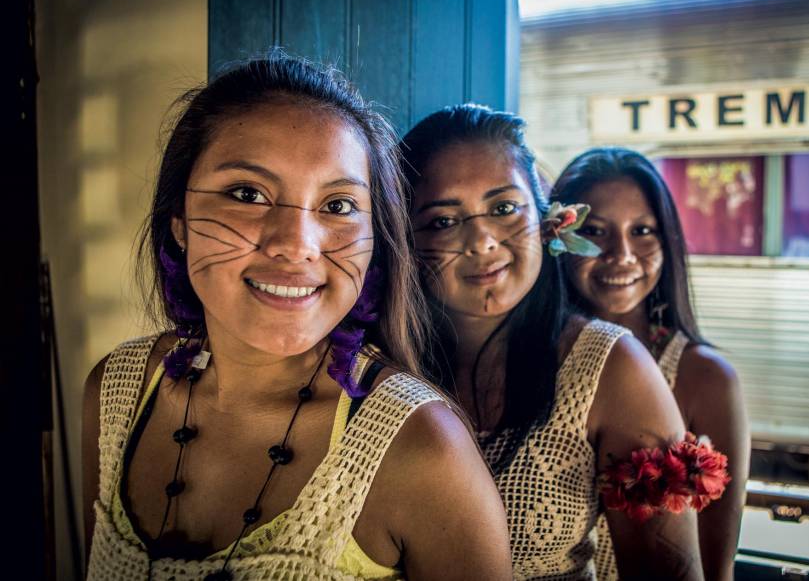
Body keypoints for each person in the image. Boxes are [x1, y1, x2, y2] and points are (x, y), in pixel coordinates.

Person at [82, 54, 512, 580]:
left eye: (337, 206)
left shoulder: (420, 448)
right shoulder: (115, 393)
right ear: (179, 222)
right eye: (247, 194)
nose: (295, 245)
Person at [402, 104, 726, 580]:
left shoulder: (611, 369)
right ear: (404, 238)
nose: (483, 241)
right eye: (444, 221)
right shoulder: (375, 365)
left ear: (547, 220)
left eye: (504, 208)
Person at [552, 147, 750, 581]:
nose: (621, 253)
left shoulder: (706, 379)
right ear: (557, 239)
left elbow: (716, 568)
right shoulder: (530, 360)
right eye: (596, 231)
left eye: (642, 230)